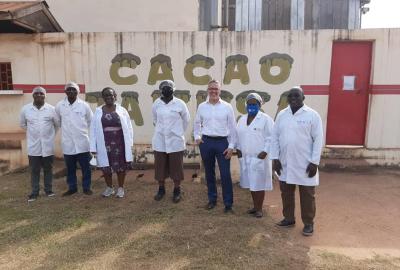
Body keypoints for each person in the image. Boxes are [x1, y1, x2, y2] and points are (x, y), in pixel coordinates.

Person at [270, 86, 323, 236]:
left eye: (297, 96)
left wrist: (314, 162)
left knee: (307, 195)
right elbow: (274, 137)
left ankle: (308, 223)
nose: (293, 98)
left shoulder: (312, 115)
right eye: (290, 96)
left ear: (303, 98)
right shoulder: (282, 115)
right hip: (285, 162)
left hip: (305, 163)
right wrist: (275, 158)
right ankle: (288, 218)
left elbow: (318, 140)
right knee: (286, 192)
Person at [194, 79, 237, 213]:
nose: (213, 91)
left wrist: (231, 146)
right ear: (208, 90)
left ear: (220, 91)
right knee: (209, 173)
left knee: (225, 174)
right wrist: (197, 137)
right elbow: (197, 123)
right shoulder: (202, 106)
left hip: (222, 143)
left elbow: (233, 128)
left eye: (216, 89)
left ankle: (228, 204)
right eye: (211, 89)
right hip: (206, 143)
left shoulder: (227, 107)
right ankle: (212, 200)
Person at [90, 87, 133, 198]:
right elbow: (93, 130)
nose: (109, 97)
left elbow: (129, 127)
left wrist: (130, 143)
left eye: (111, 95)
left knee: (121, 166)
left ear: (115, 96)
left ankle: (120, 188)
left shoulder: (122, 110)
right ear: (103, 97)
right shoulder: (98, 111)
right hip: (104, 142)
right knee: (106, 166)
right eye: (106, 95)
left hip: (120, 142)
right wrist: (93, 147)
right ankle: (109, 188)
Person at [236, 93, 274, 218]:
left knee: (259, 184)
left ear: (260, 105)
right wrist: (239, 150)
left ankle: (259, 209)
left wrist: (265, 151)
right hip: (246, 157)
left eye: (255, 104)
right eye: (250, 104)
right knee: (251, 183)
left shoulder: (266, 119)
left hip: (259, 157)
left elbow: (271, 137)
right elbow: (238, 135)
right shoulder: (242, 119)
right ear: (246, 105)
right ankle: (254, 206)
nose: (252, 106)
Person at [152, 80, 190, 203]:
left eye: (169, 88)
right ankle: (161, 189)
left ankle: (177, 190)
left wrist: (178, 132)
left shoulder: (180, 104)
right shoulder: (156, 104)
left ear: (173, 89)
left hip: (175, 141)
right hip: (160, 140)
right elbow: (154, 120)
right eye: (164, 88)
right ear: (160, 90)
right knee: (160, 167)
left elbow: (186, 120)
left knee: (176, 168)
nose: (166, 90)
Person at [20, 86, 59, 202]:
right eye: (36, 93)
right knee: (34, 170)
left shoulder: (52, 109)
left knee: (48, 169)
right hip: (33, 146)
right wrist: (33, 133)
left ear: (45, 96)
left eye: (41, 93)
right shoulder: (25, 109)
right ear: (33, 95)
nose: (39, 95)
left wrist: (50, 135)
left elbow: (57, 124)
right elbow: (23, 124)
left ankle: (48, 190)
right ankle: (34, 192)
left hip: (47, 146)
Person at [56, 82, 93, 196]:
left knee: (86, 167)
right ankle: (72, 188)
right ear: (65, 91)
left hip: (82, 142)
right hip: (68, 143)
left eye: (74, 90)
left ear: (78, 92)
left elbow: (90, 121)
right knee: (70, 168)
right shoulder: (59, 106)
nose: (71, 92)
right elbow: (57, 121)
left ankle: (86, 187)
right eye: (69, 90)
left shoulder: (84, 105)